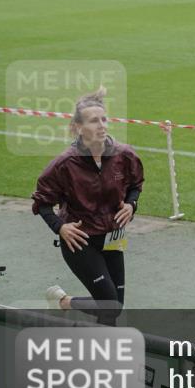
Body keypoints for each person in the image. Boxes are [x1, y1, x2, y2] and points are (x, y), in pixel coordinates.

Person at [32, 87, 144, 326]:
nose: (102, 125)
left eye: (104, 119)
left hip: (113, 237)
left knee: (114, 307)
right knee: (109, 303)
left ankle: (64, 302)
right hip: (80, 241)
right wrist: (60, 228)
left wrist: (132, 205)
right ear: (77, 127)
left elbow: (136, 184)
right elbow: (42, 203)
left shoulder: (124, 155)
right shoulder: (64, 164)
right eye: (94, 121)